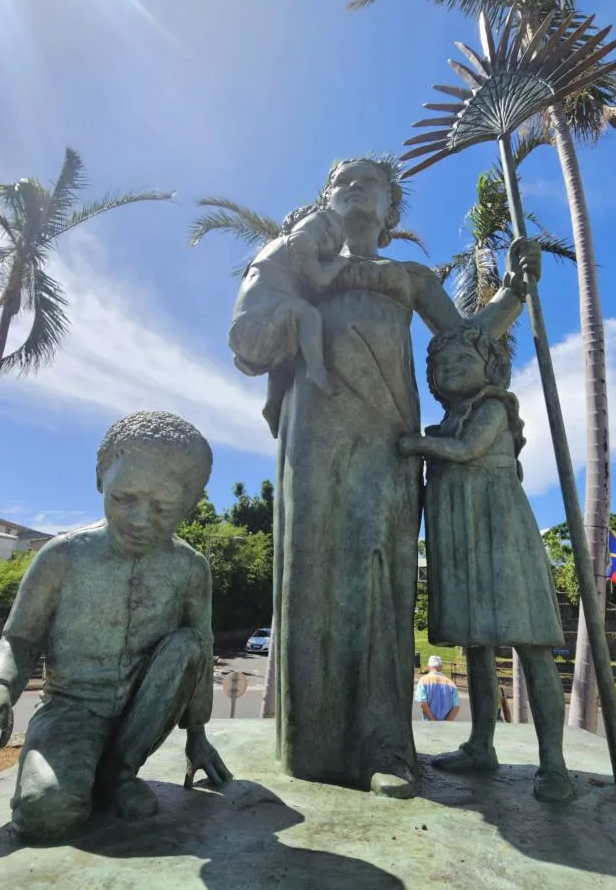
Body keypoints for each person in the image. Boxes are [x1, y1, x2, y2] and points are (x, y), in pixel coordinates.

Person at [227, 157, 532, 799]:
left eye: (371, 181)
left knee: (379, 576)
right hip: (314, 429)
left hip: (389, 434)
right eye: (342, 180)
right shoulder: (300, 258)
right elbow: (252, 333)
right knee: (312, 571)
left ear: (392, 210)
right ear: (326, 197)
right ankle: (307, 740)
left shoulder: (411, 276)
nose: (355, 187)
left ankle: (383, 742)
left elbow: (465, 338)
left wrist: (513, 294)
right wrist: (300, 258)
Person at [0, 412, 232, 842]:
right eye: (123, 498)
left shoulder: (190, 569)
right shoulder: (63, 556)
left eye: (162, 508)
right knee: (46, 814)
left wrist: (197, 735)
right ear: (102, 480)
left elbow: (200, 650)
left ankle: (119, 773)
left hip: (143, 716)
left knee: (188, 644)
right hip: (71, 710)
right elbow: (19, 639)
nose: (139, 519)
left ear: (190, 505)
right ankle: (81, 778)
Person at [400, 322, 574, 802]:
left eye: (463, 359)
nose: (450, 368)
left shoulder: (493, 407)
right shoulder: (448, 419)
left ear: (490, 367)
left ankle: (553, 764)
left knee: (531, 643)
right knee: (476, 645)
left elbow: (468, 449)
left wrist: (413, 444)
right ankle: (481, 744)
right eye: (441, 364)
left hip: (500, 528)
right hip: (461, 535)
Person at [229, 206, 347, 422]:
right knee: (307, 315)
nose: (328, 231)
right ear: (297, 221)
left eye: (335, 239)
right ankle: (316, 371)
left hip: (244, 330)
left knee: (285, 356)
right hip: (258, 326)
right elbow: (320, 281)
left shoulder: (271, 248)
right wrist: (340, 263)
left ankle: (272, 403)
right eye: (323, 220)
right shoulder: (301, 239)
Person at [415, 655, 461, 722]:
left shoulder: (423, 680)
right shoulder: (451, 683)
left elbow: (423, 703)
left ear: (428, 666)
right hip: (446, 726)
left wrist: (434, 722)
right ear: (441, 667)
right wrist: (446, 723)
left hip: (428, 724)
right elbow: (456, 707)